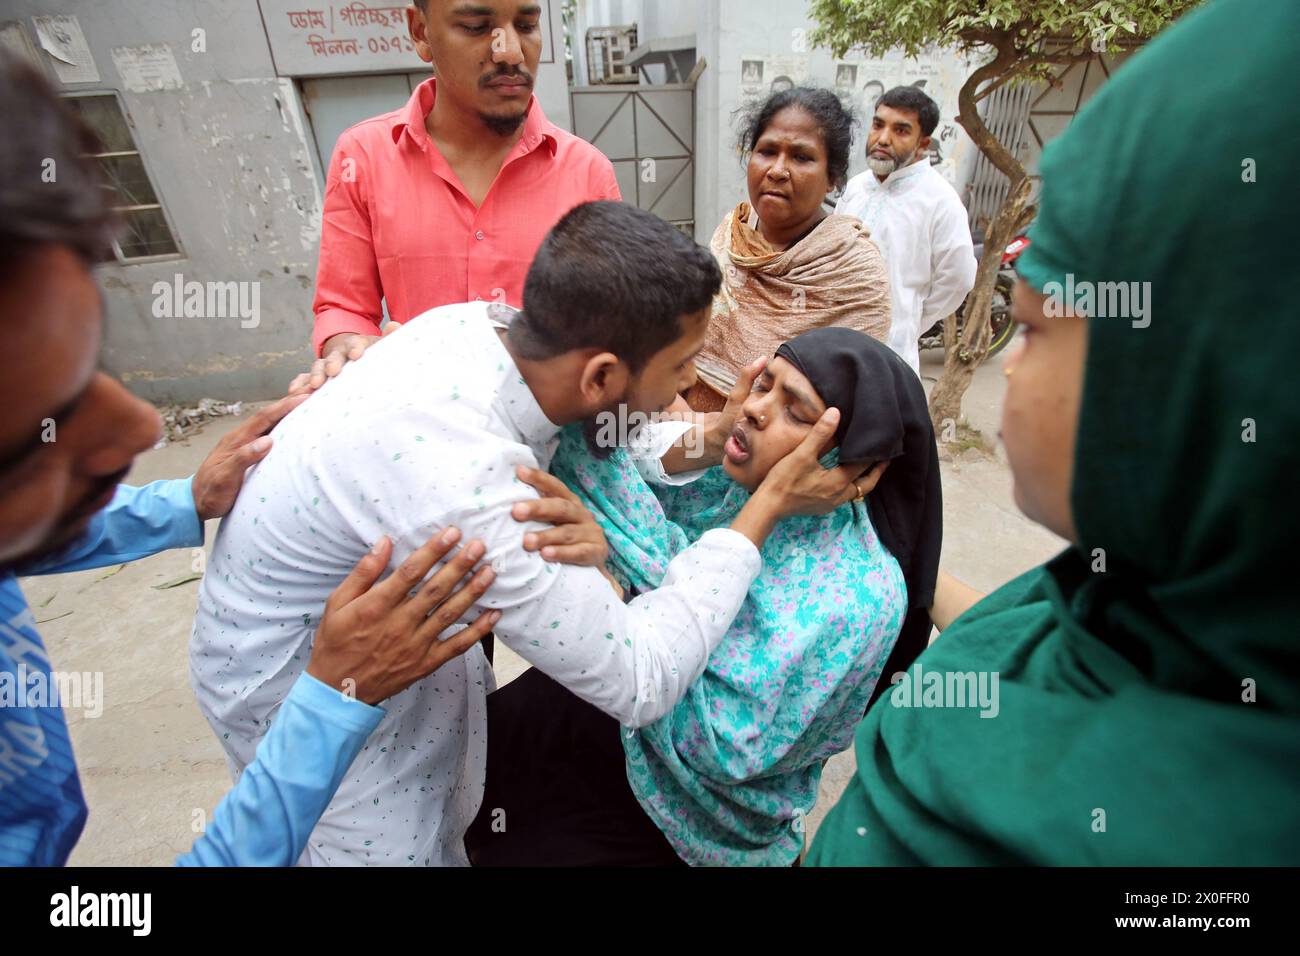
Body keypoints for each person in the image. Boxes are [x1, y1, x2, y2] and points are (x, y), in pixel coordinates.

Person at [191, 201, 872, 866]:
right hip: (300, 682)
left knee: (449, 801)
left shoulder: (476, 330)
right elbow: (642, 678)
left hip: (351, 631)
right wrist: (766, 508)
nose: (695, 381)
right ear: (603, 374)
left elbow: (610, 444)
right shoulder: (475, 492)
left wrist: (714, 434)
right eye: (681, 364)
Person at [808, 0, 1300, 866]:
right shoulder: (1136, 593)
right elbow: (1016, 617)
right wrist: (897, 563)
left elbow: (956, 283)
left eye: (1032, 329)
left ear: (1184, 385)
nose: (1014, 370)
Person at [0, 51, 497, 867]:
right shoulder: (366, 158)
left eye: (93, 367)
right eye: (37, 424)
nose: (138, 431)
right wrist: (337, 700)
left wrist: (179, 502)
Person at [465, 327, 942, 866]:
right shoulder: (729, 480)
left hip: (682, 806)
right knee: (464, 762)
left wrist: (623, 585)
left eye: (797, 413)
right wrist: (714, 443)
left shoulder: (860, 598)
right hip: (621, 701)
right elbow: (618, 459)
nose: (757, 410)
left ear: (850, 461)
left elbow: (720, 747)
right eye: (765, 385)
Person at [298, 0, 621, 389]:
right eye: (475, 26)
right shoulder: (363, 157)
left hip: (551, 437)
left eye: (526, 25)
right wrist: (349, 349)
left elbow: (612, 319)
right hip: (419, 428)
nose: (510, 52)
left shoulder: (587, 173)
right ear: (420, 31)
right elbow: (344, 308)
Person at [687, 87, 892, 413]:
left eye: (801, 157)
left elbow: (845, 400)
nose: (777, 170)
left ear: (832, 179)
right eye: (767, 151)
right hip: (692, 433)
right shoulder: (733, 233)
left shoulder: (854, 271)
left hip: (787, 455)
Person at [835, 86, 976, 374]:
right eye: (878, 125)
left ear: (923, 143)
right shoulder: (856, 187)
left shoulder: (940, 201)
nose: (883, 139)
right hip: (833, 343)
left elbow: (958, 279)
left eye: (900, 131)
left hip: (890, 354)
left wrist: (909, 319)